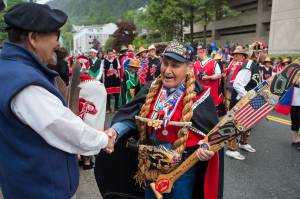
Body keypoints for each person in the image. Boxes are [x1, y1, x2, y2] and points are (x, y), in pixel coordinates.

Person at [0, 3, 115, 199]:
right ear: (33, 38)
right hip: (42, 189)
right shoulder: (26, 83)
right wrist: (104, 139)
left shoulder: (9, 68)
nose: (58, 42)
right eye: (55, 33)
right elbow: (65, 129)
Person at [95, 41, 224, 199]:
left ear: (189, 67)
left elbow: (210, 136)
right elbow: (131, 116)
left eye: (175, 65)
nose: (167, 71)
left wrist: (207, 149)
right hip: (150, 167)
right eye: (165, 63)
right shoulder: (150, 89)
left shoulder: (200, 96)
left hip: (183, 170)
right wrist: (115, 131)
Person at [225, 41, 265, 160]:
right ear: (256, 53)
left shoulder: (255, 66)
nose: (265, 55)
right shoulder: (249, 65)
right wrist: (248, 97)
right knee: (237, 124)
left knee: (248, 123)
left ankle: (243, 143)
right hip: (240, 101)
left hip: (249, 101)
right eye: (263, 52)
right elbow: (237, 84)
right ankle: (232, 149)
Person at [102, 49, 121, 113]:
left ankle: (116, 108)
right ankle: (108, 108)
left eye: (111, 54)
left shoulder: (116, 60)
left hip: (115, 79)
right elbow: (103, 71)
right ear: (107, 54)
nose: (110, 55)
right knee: (108, 95)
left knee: (116, 94)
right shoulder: (104, 61)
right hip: (108, 80)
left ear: (113, 54)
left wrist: (119, 78)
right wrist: (104, 79)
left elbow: (118, 70)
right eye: (109, 54)